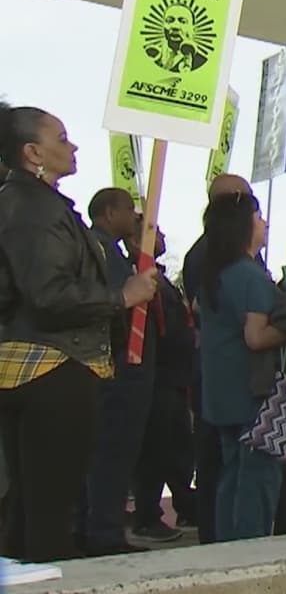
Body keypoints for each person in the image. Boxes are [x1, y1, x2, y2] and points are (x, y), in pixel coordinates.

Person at [0, 102, 157, 562]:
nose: (73, 147)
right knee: (50, 511)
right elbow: (48, 294)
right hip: (53, 369)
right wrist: (121, 296)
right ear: (33, 152)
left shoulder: (33, 204)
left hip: (43, 367)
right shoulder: (33, 207)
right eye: (62, 139)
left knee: (33, 506)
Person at [199, 193, 286, 541]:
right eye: (258, 216)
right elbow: (256, 336)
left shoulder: (215, 274)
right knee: (257, 483)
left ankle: (227, 551)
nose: (264, 223)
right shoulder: (250, 276)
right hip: (254, 392)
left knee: (232, 477)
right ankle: (253, 552)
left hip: (221, 392)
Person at [82, 187, 162, 554]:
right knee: (112, 452)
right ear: (110, 212)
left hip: (124, 368)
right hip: (119, 368)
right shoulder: (100, 251)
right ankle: (104, 532)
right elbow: (117, 302)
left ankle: (101, 527)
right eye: (129, 209)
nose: (134, 217)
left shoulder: (111, 251)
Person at [183, 173, 251, 543]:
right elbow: (250, 326)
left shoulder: (221, 258)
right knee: (225, 463)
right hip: (228, 375)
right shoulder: (219, 261)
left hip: (219, 375)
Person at [126, 217, 198, 543]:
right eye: (154, 231)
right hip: (159, 376)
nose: (163, 235)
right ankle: (147, 515)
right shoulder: (138, 278)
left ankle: (185, 502)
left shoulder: (160, 277)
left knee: (177, 445)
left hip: (176, 374)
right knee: (155, 448)